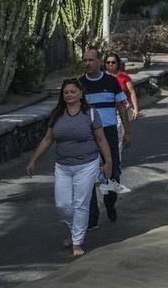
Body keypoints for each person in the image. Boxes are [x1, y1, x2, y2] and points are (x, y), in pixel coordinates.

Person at [25, 79, 112, 257]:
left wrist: (108, 162)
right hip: (63, 166)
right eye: (66, 92)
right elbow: (48, 139)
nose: (69, 95)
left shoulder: (91, 114)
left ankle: (77, 242)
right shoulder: (57, 114)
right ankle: (76, 231)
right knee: (62, 204)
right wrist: (33, 160)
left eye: (73, 91)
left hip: (87, 164)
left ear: (81, 93)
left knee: (81, 203)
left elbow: (101, 139)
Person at [79, 49, 130, 227]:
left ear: (99, 61)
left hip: (109, 133)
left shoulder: (111, 81)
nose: (87, 63)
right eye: (85, 60)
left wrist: (128, 132)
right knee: (88, 177)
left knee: (113, 173)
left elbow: (122, 107)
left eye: (91, 60)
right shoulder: (79, 85)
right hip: (87, 136)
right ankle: (92, 218)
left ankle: (109, 203)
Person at [103, 52, 138, 160]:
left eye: (113, 62)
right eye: (108, 62)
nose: (110, 64)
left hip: (121, 110)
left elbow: (132, 92)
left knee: (118, 136)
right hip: (105, 110)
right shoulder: (101, 77)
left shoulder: (123, 76)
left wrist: (136, 108)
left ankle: (115, 160)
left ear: (118, 64)